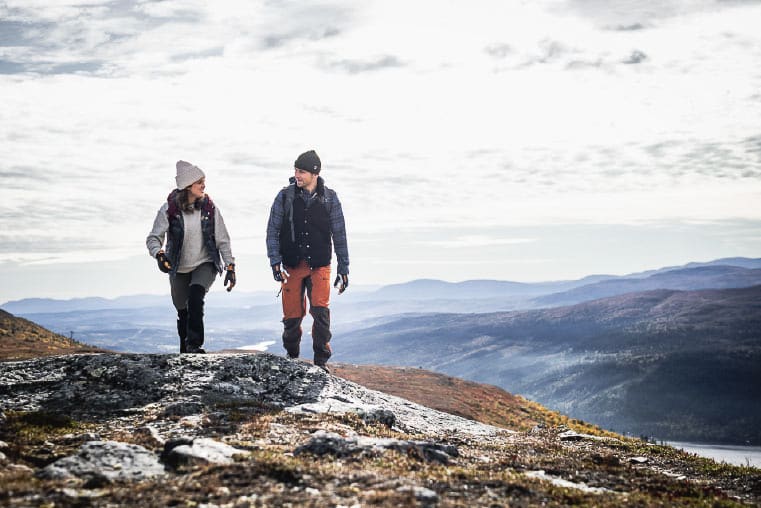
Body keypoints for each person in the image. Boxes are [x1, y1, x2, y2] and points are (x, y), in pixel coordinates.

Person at [266, 149, 349, 372]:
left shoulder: (330, 198)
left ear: (315, 173)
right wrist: (275, 262)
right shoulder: (284, 197)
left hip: (320, 264)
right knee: (292, 317)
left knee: (321, 312)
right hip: (291, 266)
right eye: (295, 170)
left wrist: (344, 268)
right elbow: (272, 231)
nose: (297, 175)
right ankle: (292, 357)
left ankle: (321, 362)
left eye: (301, 171)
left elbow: (339, 234)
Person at [146, 160, 236, 354]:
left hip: (205, 262)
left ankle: (195, 345)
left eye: (204, 181)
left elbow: (223, 239)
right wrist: (159, 255)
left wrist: (230, 266)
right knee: (183, 310)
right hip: (178, 266)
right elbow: (153, 238)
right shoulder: (169, 210)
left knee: (196, 297)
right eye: (199, 182)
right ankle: (185, 349)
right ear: (187, 186)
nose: (204, 185)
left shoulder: (210, 209)